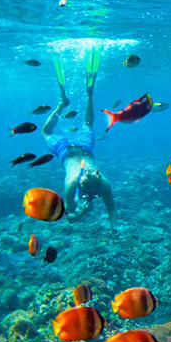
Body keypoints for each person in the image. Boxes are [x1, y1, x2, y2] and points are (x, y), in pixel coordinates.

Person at [41, 45, 116, 227]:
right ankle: (75, 98)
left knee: (85, 124)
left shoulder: (77, 182)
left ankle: (76, 99)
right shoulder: (97, 184)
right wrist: (84, 212)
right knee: (48, 132)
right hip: (68, 151)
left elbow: (70, 210)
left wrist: (82, 209)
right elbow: (72, 214)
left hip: (83, 149)